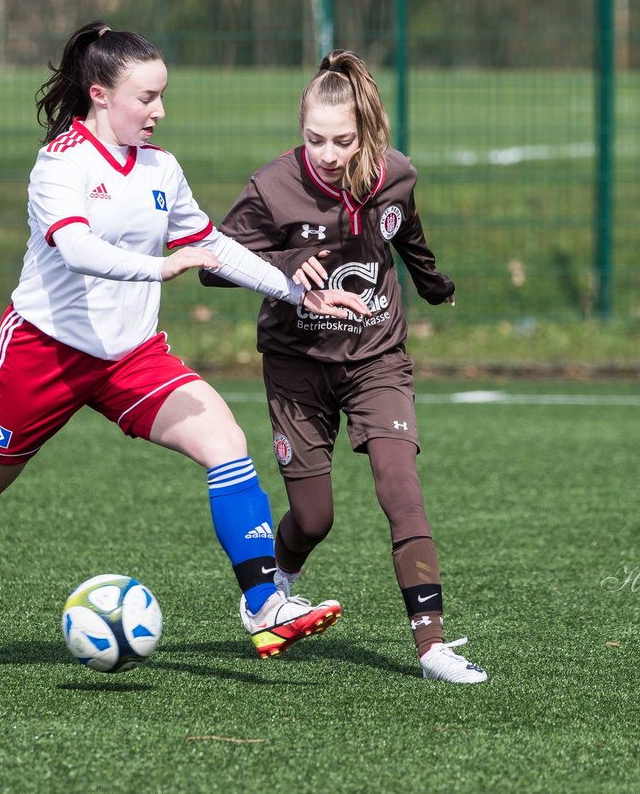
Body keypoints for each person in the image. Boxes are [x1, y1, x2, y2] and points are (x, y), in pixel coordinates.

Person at [0, 21, 373, 660]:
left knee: (225, 442)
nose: (159, 110)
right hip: (43, 352)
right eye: (146, 98)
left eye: (162, 96)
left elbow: (211, 244)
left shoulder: (162, 168)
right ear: (100, 95)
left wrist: (298, 292)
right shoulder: (60, 164)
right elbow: (74, 247)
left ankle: (264, 604)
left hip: (132, 356)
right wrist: (157, 266)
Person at [202, 50, 487, 683]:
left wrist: (433, 282)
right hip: (297, 366)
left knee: (400, 489)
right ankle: (276, 582)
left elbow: (406, 233)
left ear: (367, 132)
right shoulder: (271, 187)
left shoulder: (395, 175)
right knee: (314, 518)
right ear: (299, 130)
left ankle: (433, 646)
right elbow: (211, 262)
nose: (329, 154)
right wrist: (279, 265)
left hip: (376, 357)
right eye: (314, 140)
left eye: (343, 141)